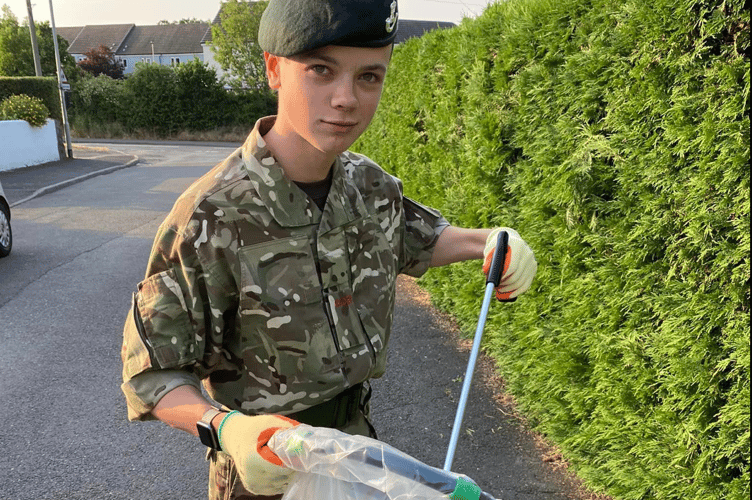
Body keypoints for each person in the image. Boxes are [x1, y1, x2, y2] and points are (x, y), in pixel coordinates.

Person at [119, 1, 538, 499]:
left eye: (369, 77)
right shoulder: (211, 216)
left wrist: (490, 240)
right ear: (274, 68)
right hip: (267, 470)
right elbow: (153, 373)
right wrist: (225, 428)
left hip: (358, 456)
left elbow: (416, 237)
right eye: (321, 70)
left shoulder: (369, 185)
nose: (346, 98)